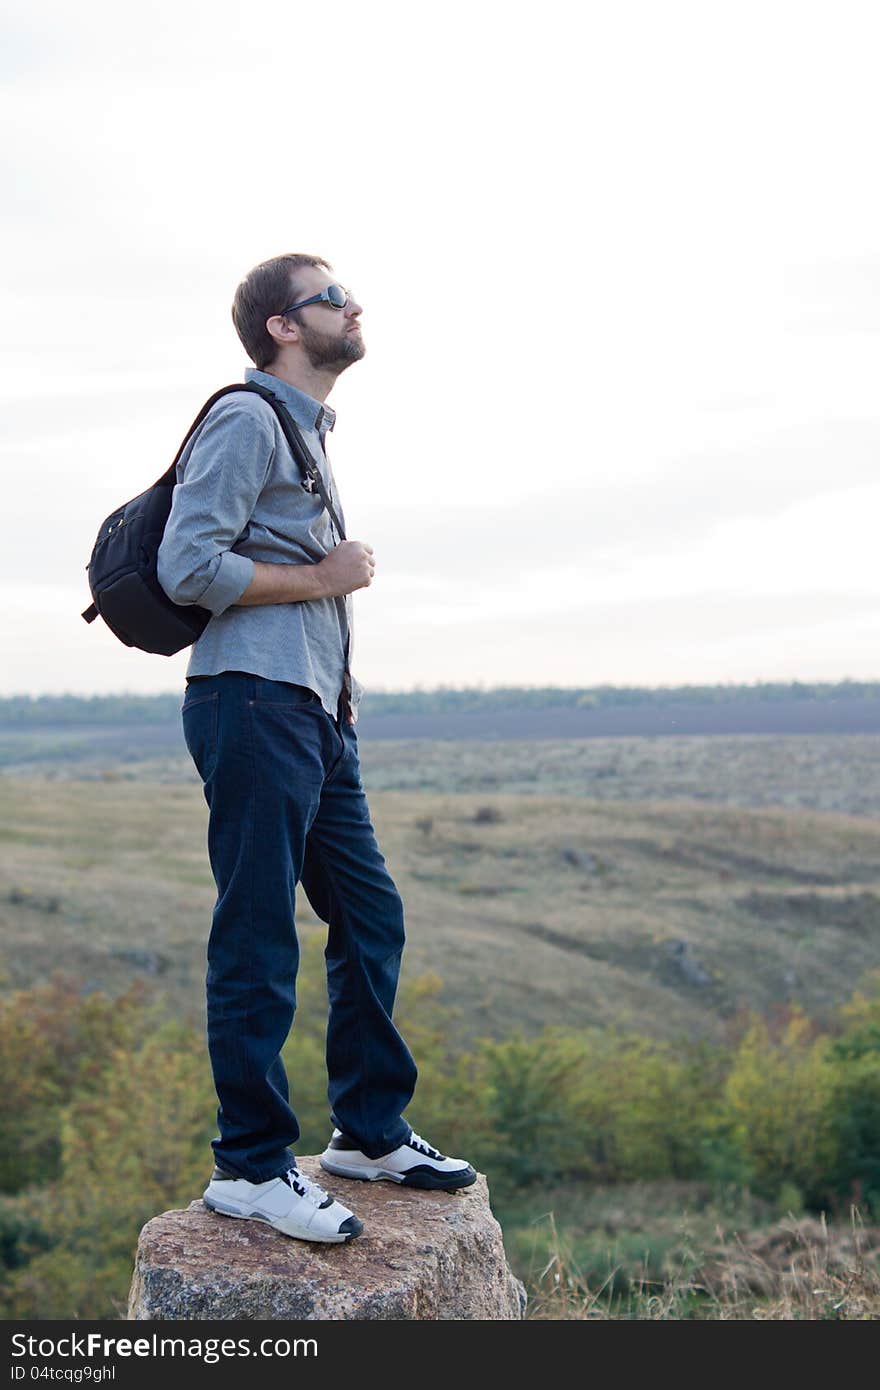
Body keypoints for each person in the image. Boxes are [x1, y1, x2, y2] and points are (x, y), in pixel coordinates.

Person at [157, 253, 475, 1244]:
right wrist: (326, 575)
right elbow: (187, 562)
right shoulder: (246, 419)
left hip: (312, 712)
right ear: (285, 328)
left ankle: (368, 1131)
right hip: (252, 699)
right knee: (257, 933)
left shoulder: (305, 429)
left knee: (371, 915)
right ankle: (249, 1166)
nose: (353, 305)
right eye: (332, 295)